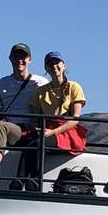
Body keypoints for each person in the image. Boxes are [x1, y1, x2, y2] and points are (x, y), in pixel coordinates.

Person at [0, 43, 49, 188]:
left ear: (30, 59)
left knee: (1, 126)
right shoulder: (1, 84)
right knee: (0, 125)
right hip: (11, 130)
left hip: (31, 130)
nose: (19, 60)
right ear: (10, 59)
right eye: (16, 57)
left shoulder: (41, 83)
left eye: (23, 57)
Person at [15, 51, 87, 190]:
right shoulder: (41, 91)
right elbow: (35, 117)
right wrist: (38, 129)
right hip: (46, 128)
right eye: (50, 64)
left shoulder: (74, 87)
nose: (54, 66)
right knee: (29, 143)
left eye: (56, 63)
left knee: (38, 143)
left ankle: (33, 180)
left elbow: (75, 119)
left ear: (64, 65)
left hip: (67, 131)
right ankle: (19, 181)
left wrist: (52, 132)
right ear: (46, 68)